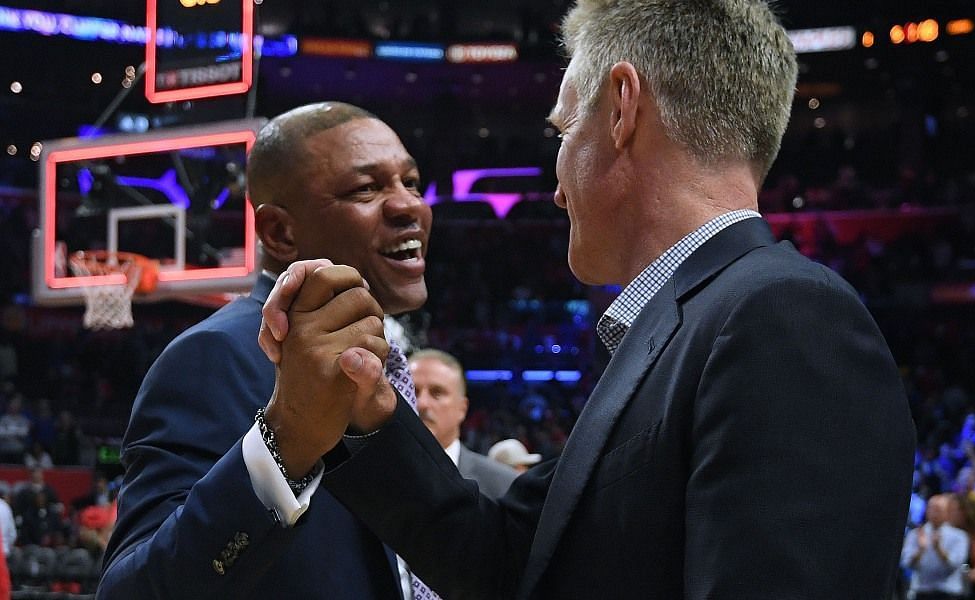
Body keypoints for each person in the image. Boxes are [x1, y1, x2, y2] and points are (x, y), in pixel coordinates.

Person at [260, 0, 915, 597]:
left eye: (562, 131)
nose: (555, 187)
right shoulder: (680, 331)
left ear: (623, 108)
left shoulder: (783, 314)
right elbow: (506, 562)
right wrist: (365, 408)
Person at [98, 102, 432, 599]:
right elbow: (131, 592)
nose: (408, 205)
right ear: (279, 232)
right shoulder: (214, 357)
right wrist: (282, 449)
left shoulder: (387, 354)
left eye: (412, 183)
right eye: (366, 188)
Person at [409, 349, 518, 500]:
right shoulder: (371, 479)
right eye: (412, 392)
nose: (422, 403)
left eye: (437, 393)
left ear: (462, 408)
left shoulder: (504, 485)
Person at [901, 494, 970, 600]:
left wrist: (939, 549)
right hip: (922, 591)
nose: (934, 512)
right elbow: (906, 563)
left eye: (938, 509)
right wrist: (920, 550)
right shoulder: (916, 534)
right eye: (931, 508)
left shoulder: (960, 536)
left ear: (947, 512)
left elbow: (955, 565)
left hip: (948, 593)